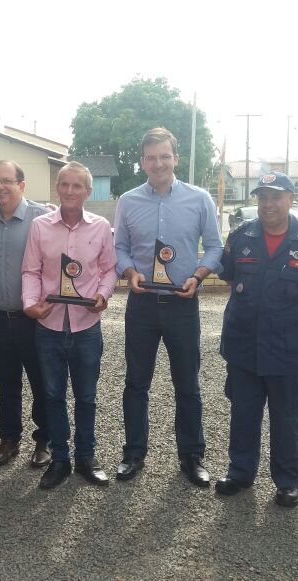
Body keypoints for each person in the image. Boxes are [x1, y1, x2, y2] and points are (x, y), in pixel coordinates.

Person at [215, 172, 298, 505]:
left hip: (291, 347)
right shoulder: (241, 236)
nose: (268, 204)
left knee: (287, 418)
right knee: (243, 412)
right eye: (262, 197)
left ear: (291, 198)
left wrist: (291, 307)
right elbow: (230, 277)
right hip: (245, 342)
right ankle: (240, 472)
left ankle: (287, 482)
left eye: (276, 196)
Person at [112, 127, 224, 487]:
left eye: (164, 156)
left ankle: (191, 456)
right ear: (142, 161)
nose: (157, 163)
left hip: (182, 303)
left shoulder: (199, 198)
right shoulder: (128, 201)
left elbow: (216, 247)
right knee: (135, 382)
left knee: (187, 384)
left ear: (175, 158)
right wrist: (129, 271)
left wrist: (199, 275)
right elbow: (120, 248)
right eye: (150, 157)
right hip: (142, 302)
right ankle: (133, 453)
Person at [21, 161, 117, 489]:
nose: (71, 191)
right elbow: (31, 271)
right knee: (53, 395)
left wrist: (104, 294)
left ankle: (86, 458)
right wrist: (30, 305)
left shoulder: (102, 227)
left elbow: (109, 269)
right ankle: (60, 459)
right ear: (57, 188)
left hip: (86, 325)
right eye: (65, 185)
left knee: (87, 396)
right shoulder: (40, 226)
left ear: (88, 192)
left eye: (78, 186)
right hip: (48, 325)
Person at [0, 160, 52, 468]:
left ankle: (45, 441)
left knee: (41, 382)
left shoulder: (43, 218)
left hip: (34, 320)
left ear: (21, 185)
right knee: (6, 382)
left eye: (6, 181)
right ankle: (8, 440)